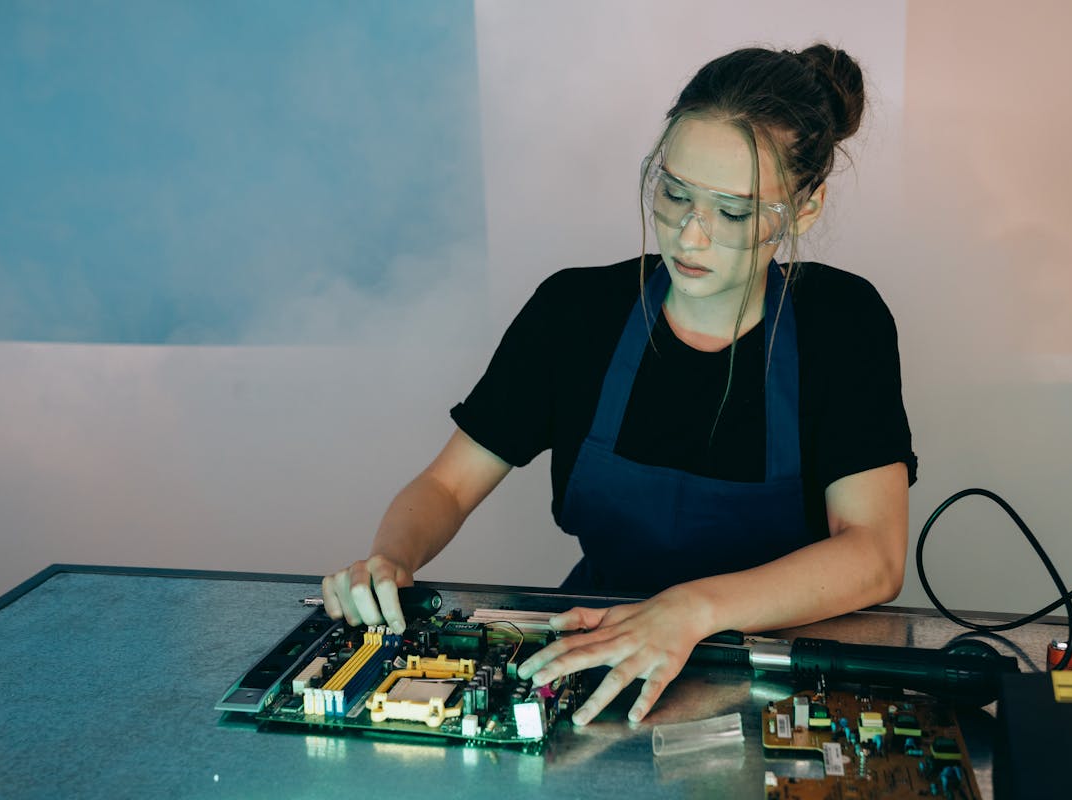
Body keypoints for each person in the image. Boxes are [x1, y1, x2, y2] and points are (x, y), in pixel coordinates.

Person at [322, 44, 916, 727]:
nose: (690, 235)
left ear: (804, 210)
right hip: (598, 660)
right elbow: (447, 486)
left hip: (785, 681)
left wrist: (690, 609)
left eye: (731, 212)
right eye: (674, 192)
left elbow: (873, 555)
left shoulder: (842, 324)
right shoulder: (574, 314)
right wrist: (391, 559)